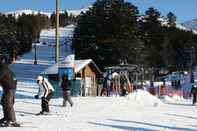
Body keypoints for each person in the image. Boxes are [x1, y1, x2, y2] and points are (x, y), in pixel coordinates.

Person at [0, 55, 19, 127]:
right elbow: (14, 77)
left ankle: (11, 120)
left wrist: (12, 86)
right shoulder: (5, 68)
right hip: (8, 88)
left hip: (9, 88)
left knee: (8, 103)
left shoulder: (3, 68)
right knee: (3, 102)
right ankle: (6, 117)